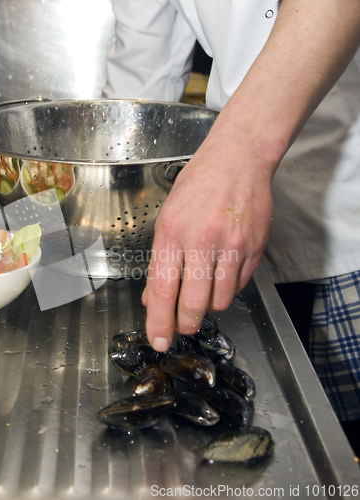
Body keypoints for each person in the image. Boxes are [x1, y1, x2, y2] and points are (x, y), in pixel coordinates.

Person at [103, 0, 360, 451]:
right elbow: (144, 69)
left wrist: (240, 153)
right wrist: (95, 202)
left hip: (346, 217)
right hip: (223, 232)